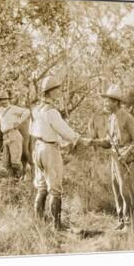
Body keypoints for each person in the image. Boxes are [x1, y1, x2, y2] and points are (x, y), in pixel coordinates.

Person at [30, 76, 92, 230]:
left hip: (37, 147)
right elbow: (65, 131)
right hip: (49, 149)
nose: (59, 91)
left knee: (41, 187)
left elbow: (33, 130)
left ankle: (39, 223)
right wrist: (80, 139)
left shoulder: (36, 109)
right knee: (55, 188)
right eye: (56, 89)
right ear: (50, 92)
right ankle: (57, 226)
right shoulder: (52, 112)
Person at [92, 84, 134, 230]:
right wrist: (92, 142)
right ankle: (121, 219)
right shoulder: (111, 117)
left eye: (108, 100)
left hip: (125, 158)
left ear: (116, 102)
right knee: (116, 188)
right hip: (114, 156)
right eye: (105, 100)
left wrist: (126, 153)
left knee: (125, 189)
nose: (105, 103)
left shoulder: (127, 117)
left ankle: (129, 222)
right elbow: (109, 140)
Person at [0, 91, 30, 177]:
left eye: (5, 99)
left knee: (15, 160)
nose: (4, 101)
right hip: (5, 136)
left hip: (14, 134)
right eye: (1, 100)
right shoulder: (0, 110)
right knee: (6, 161)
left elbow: (27, 112)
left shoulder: (14, 108)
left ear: (8, 99)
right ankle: (12, 179)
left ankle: (21, 177)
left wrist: (19, 121)